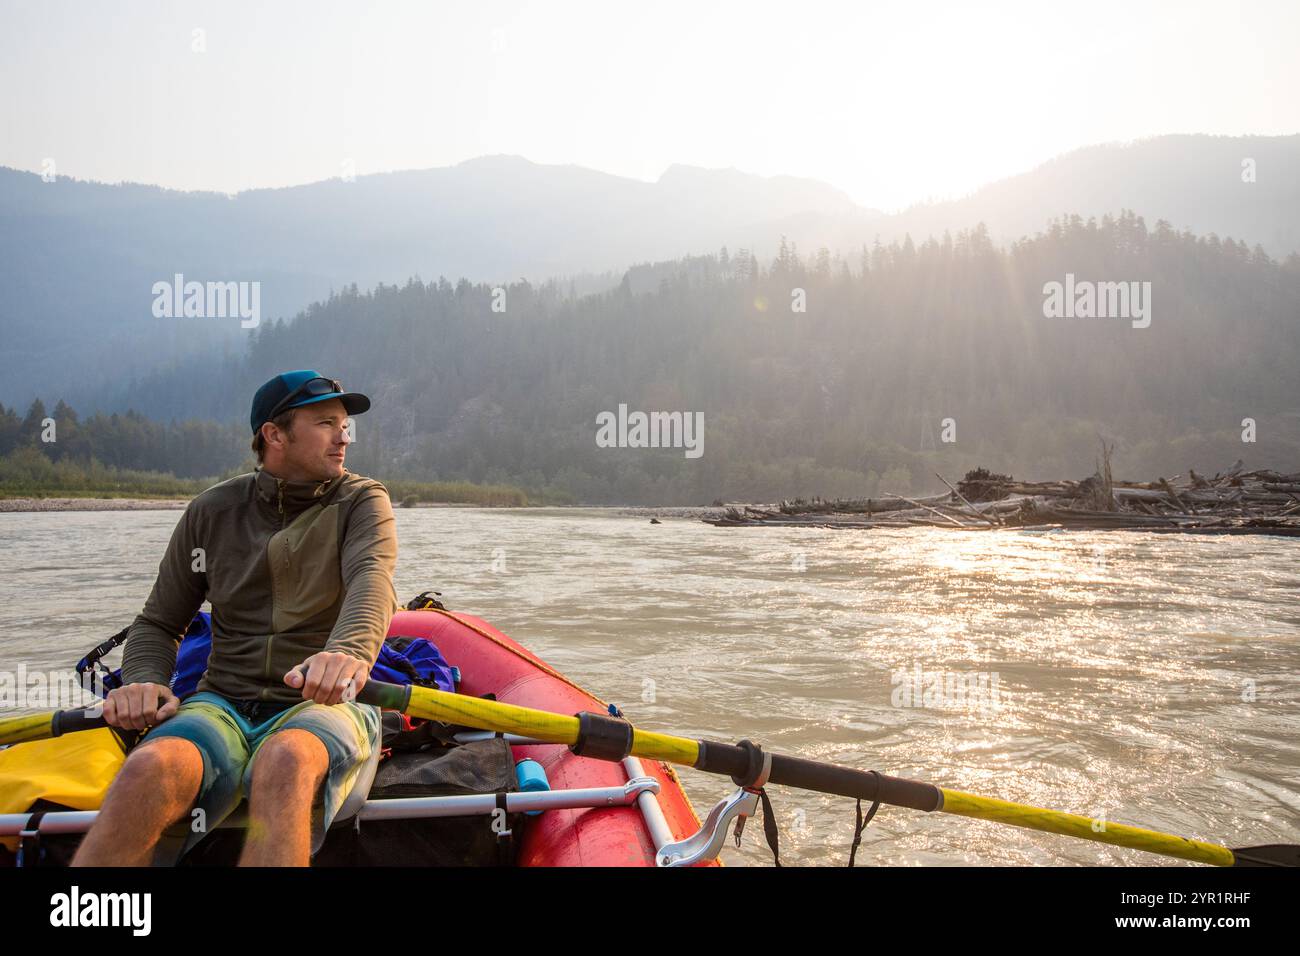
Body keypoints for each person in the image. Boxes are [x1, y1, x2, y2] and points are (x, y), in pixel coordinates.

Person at [72, 370, 399, 867]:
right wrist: (143, 681)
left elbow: (371, 580)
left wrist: (348, 653)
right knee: (148, 768)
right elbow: (158, 623)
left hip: (326, 703)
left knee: (284, 760)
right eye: (326, 423)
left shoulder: (362, 501)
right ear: (274, 435)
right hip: (220, 703)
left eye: (345, 425)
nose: (343, 436)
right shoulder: (212, 510)